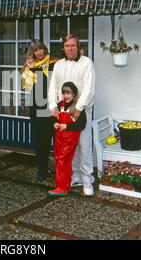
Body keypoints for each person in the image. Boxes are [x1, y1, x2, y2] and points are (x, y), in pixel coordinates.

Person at [48, 34, 96, 196]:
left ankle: (87, 180)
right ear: (63, 47)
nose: (70, 49)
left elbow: (88, 87)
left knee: (84, 145)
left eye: (73, 46)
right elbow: (53, 87)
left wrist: (79, 107)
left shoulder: (86, 63)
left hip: (80, 111)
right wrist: (53, 106)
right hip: (63, 111)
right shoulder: (59, 65)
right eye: (67, 46)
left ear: (78, 47)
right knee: (68, 147)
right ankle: (74, 176)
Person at [21, 39, 59, 181]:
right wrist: (30, 69)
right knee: (40, 141)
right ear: (32, 53)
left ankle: (60, 171)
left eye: (41, 48)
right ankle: (42, 169)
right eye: (35, 50)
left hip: (53, 106)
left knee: (57, 141)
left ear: (45, 49)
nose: (39, 52)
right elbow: (26, 87)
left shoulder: (55, 62)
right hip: (37, 107)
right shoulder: (29, 66)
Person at [48, 82, 86, 196]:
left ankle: (61, 188)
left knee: (62, 161)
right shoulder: (60, 105)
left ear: (74, 94)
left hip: (70, 139)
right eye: (64, 93)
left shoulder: (78, 107)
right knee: (61, 160)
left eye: (68, 93)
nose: (66, 96)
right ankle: (66, 185)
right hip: (59, 138)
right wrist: (55, 123)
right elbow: (53, 118)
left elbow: (82, 124)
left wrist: (67, 126)